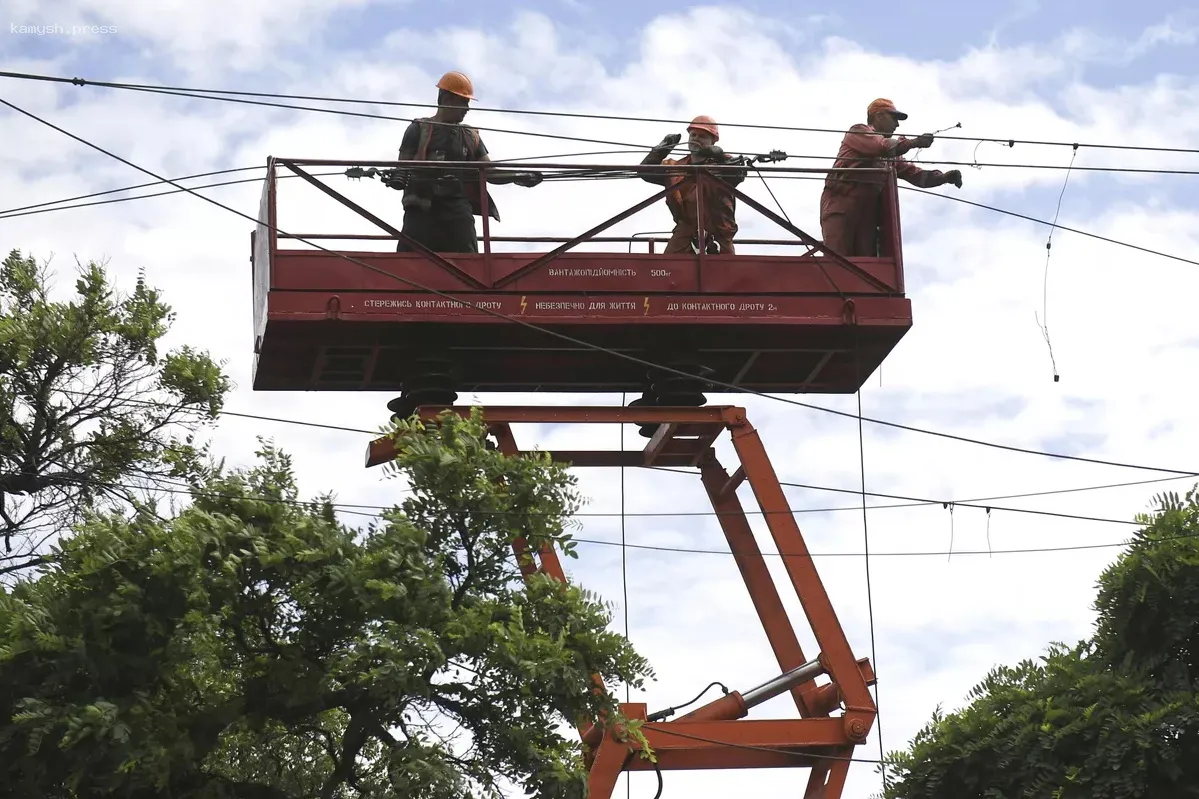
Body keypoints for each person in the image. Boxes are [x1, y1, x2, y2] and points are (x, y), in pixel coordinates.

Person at [393, 70, 542, 253]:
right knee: (408, 262)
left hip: (456, 212)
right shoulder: (419, 129)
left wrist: (518, 176)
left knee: (468, 263)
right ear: (447, 100)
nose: (467, 109)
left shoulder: (470, 136)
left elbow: (490, 171)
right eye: (464, 102)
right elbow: (402, 168)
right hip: (422, 209)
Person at [819, 98, 963, 257]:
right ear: (879, 116)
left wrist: (943, 177)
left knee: (867, 264)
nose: (897, 124)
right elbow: (881, 146)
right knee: (837, 260)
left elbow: (913, 174)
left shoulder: (890, 157)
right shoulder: (859, 131)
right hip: (840, 206)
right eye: (893, 118)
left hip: (866, 214)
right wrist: (913, 143)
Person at [640, 115, 747, 255]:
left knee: (726, 275)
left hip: (719, 237)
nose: (696, 138)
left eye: (702, 136)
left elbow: (739, 173)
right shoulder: (674, 168)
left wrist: (721, 157)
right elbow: (645, 172)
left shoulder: (724, 167)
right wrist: (659, 151)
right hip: (684, 235)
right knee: (665, 272)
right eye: (693, 134)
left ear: (713, 141)